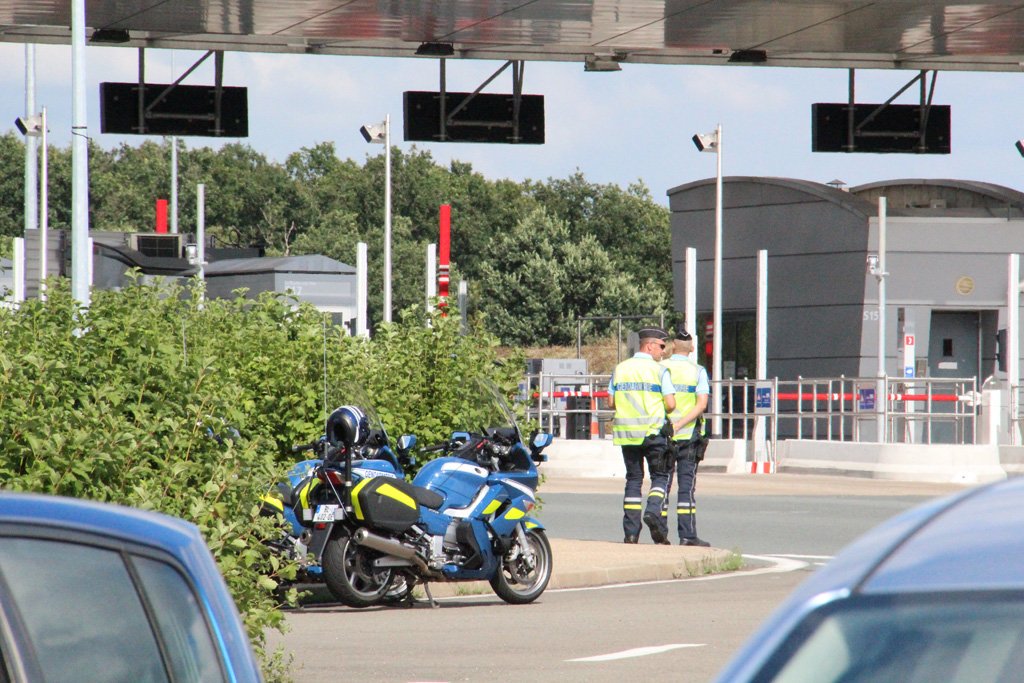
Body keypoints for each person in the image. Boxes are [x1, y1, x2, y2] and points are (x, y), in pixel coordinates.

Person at [608, 326, 676, 544]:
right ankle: (653, 511)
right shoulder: (659, 371)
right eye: (662, 346)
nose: (664, 352)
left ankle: (630, 533)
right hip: (653, 432)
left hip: (628, 435)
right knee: (660, 477)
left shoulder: (620, 369)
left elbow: (611, 402)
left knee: (633, 480)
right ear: (650, 346)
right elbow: (671, 404)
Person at [660, 326, 711, 546]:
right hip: (689, 435)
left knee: (662, 483)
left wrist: (671, 423)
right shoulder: (698, 371)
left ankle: (660, 535)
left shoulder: (660, 368)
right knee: (686, 486)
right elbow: (702, 404)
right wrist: (681, 423)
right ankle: (687, 535)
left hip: (664, 434)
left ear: (672, 346)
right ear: (691, 348)